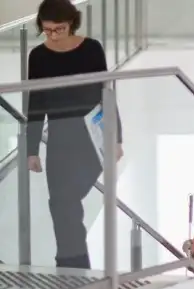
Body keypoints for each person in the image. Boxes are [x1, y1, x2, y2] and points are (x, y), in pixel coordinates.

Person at [27, 0, 123, 269]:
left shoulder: (91, 49)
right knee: (60, 205)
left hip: (90, 135)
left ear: (71, 23)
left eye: (59, 29)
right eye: (47, 30)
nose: (54, 35)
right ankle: (72, 267)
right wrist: (31, 149)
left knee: (66, 202)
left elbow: (106, 92)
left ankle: (71, 267)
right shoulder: (38, 56)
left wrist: (116, 138)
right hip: (59, 136)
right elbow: (35, 101)